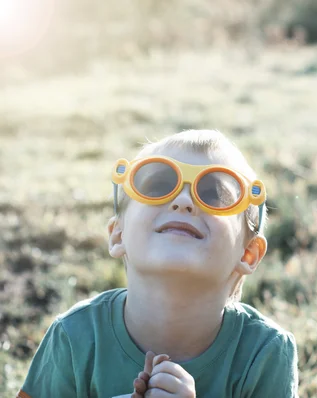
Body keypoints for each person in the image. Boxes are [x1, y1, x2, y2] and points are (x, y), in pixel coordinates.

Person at [17, 130, 299, 398]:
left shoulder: (265, 353)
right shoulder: (75, 337)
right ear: (118, 234)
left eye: (213, 194)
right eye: (159, 186)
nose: (184, 200)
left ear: (248, 253)